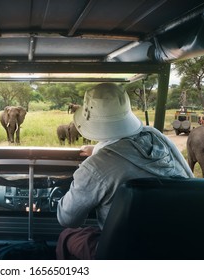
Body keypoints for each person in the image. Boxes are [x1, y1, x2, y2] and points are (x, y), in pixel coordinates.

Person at [56, 83, 194, 260]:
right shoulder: (156, 136)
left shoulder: (95, 167)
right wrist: (99, 151)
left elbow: (68, 219)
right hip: (178, 246)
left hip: (124, 252)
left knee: (67, 235)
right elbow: (188, 179)